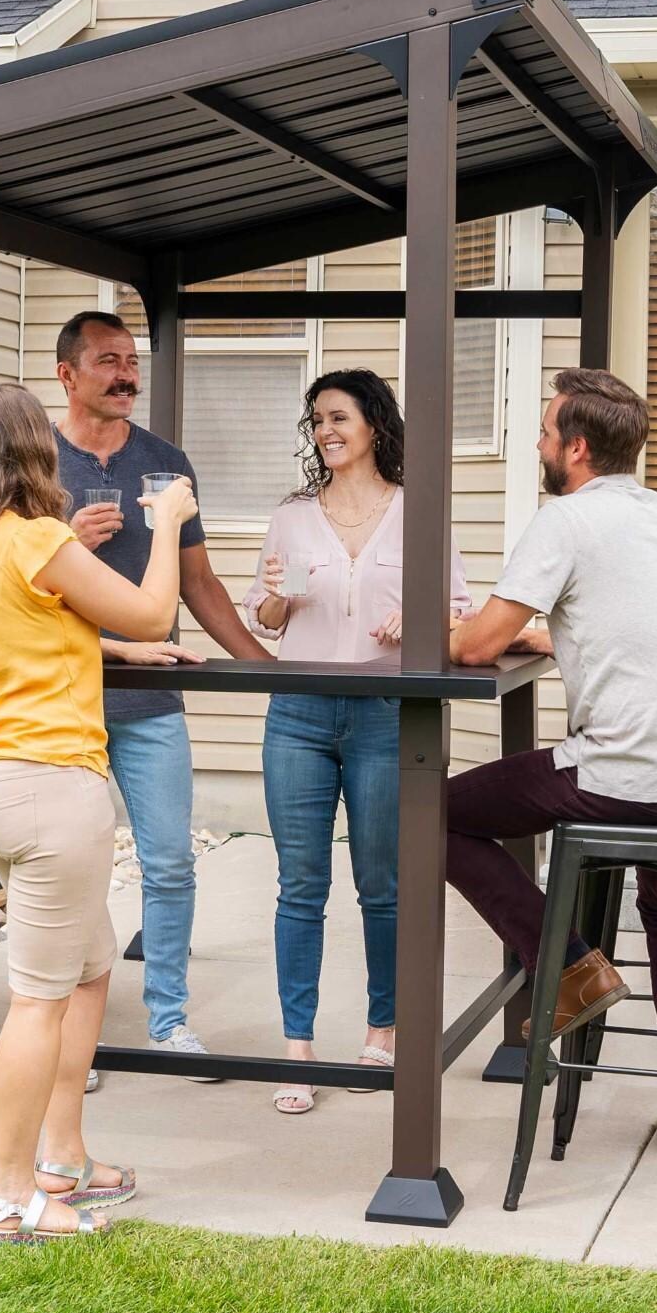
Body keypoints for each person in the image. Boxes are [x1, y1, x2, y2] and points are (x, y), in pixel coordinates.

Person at [447, 367, 657, 1159]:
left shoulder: (567, 520)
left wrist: (429, 632)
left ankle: (571, 965)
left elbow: (474, 645)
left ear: (575, 449)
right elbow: (639, 628)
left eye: (545, 433)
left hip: (628, 775)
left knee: (432, 813)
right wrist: (547, 636)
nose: (540, 446)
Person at [0, 382, 199, 1244]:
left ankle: (62, 1159)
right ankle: (11, 1198)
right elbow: (157, 602)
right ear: (33, 454)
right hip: (53, 788)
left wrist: (116, 646)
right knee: (37, 999)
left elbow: (33, 626)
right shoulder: (38, 538)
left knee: (87, 968)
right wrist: (166, 523)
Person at [53, 310, 273, 1080]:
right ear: (67, 375)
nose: (126, 374)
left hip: (150, 705)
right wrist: (69, 543)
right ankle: (68, 1036)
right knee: (71, 870)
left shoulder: (166, 462)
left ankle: (170, 1021)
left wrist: (262, 669)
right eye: (108, 361)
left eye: (132, 361)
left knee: (171, 862)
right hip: (62, 701)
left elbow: (203, 583)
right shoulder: (33, 462)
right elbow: (9, 585)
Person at [244, 369, 471, 1114]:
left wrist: (424, 621)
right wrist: (277, 594)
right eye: (316, 421)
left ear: (374, 423)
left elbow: (460, 613)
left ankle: (384, 1028)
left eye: (338, 417)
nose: (325, 431)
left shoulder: (419, 511)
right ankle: (297, 1049)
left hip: (383, 711)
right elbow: (267, 620)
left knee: (384, 886)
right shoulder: (292, 516)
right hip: (300, 713)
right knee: (301, 886)